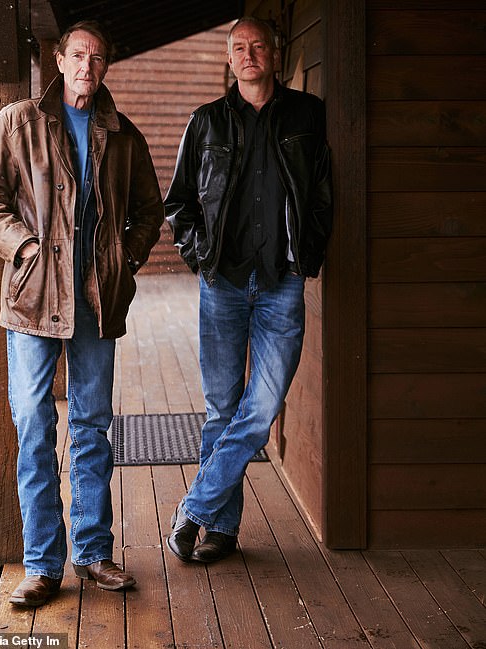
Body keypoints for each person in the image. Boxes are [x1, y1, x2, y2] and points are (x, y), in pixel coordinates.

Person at [0, 20, 164, 606]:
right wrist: (26, 247)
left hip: (96, 304)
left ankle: (93, 553)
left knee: (91, 428)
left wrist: (122, 261)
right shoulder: (18, 122)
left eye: (97, 58)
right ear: (59, 59)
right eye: (77, 54)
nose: (87, 65)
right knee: (32, 427)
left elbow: (150, 212)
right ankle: (41, 564)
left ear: (105, 67)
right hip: (31, 300)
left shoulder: (122, 135)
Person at [164, 16, 332, 564]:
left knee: (260, 409)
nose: (249, 54)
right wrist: (199, 257)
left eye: (258, 46)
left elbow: (324, 196)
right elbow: (180, 203)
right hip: (225, 284)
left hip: (282, 282)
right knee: (222, 409)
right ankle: (222, 529)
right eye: (240, 47)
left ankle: (195, 508)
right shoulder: (206, 122)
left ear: (276, 54)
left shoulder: (307, 116)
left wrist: (311, 255)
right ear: (229, 58)